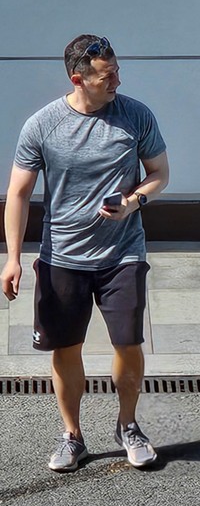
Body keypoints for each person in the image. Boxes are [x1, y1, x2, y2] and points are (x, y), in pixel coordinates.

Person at [1, 35, 170, 471]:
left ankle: (128, 425)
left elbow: (159, 174)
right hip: (63, 257)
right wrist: (13, 256)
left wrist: (133, 203)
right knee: (66, 348)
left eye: (116, 70)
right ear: (79, 79)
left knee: (128, 343)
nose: (117, 79)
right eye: (106, 75)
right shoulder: (43, 125)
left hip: (123, 254)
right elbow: (18, 194)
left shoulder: (135, 115)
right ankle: (72, 436)